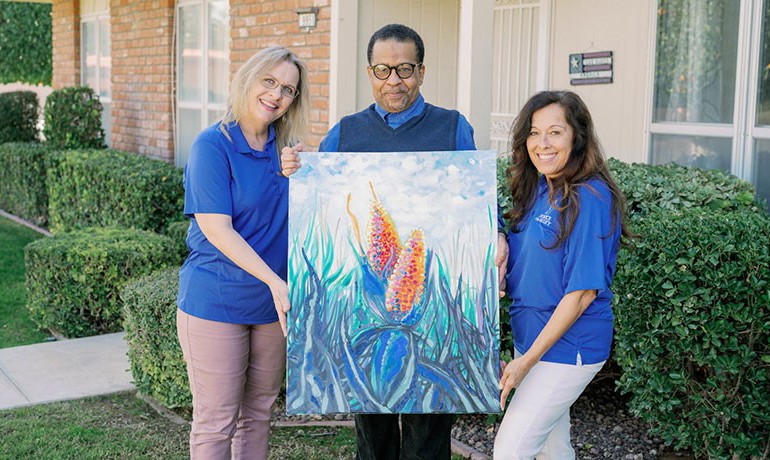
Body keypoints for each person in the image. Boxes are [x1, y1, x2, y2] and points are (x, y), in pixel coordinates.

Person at [282, 23, 507, 460]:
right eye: (382, 70)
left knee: (428, 435)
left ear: (421, 72)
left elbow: (478, 201)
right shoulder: (346, 132)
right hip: (369, 305)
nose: (394, 81)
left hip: (425, 300)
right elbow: (321, 195)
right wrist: (298, 166)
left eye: (404, 69)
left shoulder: (452, 127)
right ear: (370, 73)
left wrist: (494, 233)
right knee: (373, 430)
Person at [176, 45, 308, 459]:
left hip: (272, 306)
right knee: (216, 421)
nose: (276, 94)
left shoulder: (287, 152)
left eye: (288, 89)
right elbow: (218, 230)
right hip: (217, 299)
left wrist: (310, 176)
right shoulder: (211, 146)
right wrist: (274, 280)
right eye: (269, 81)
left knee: (258, 413)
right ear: (247, 80)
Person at [493, 90, 634, 459]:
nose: (542, 144)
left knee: (510, 451)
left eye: (555, 132)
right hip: (533, 337)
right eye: (535, 132)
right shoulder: (542, 185)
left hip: (568, 348)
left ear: (577, 136)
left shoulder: (591, 197)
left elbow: (582, 293)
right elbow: (533, 262)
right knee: (554, 450)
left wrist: (526, 362)